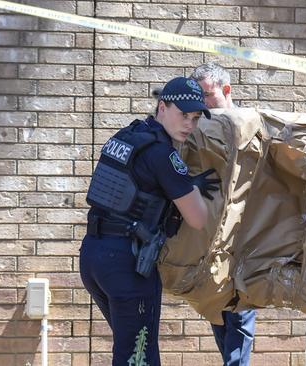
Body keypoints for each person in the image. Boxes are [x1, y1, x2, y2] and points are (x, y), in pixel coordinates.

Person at [80, 77, 219, 365]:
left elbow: (132, 186)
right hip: (126, 265)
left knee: (130, 349)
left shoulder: (126, 136)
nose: (190, 125)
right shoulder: (162, 154)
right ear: (162, 106)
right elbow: (198, 218)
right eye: (184, 115)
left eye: (195, 118)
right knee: (139, 357)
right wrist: (189, 187)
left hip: (93, 256)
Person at [190, 62, 257, 366]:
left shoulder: (249, 125)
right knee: (218, 314)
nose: (202, 104)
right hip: (211, 240)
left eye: (207, 96)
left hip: (246, 238)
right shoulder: (198, 127)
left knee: (240, 315)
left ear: (226, 90)